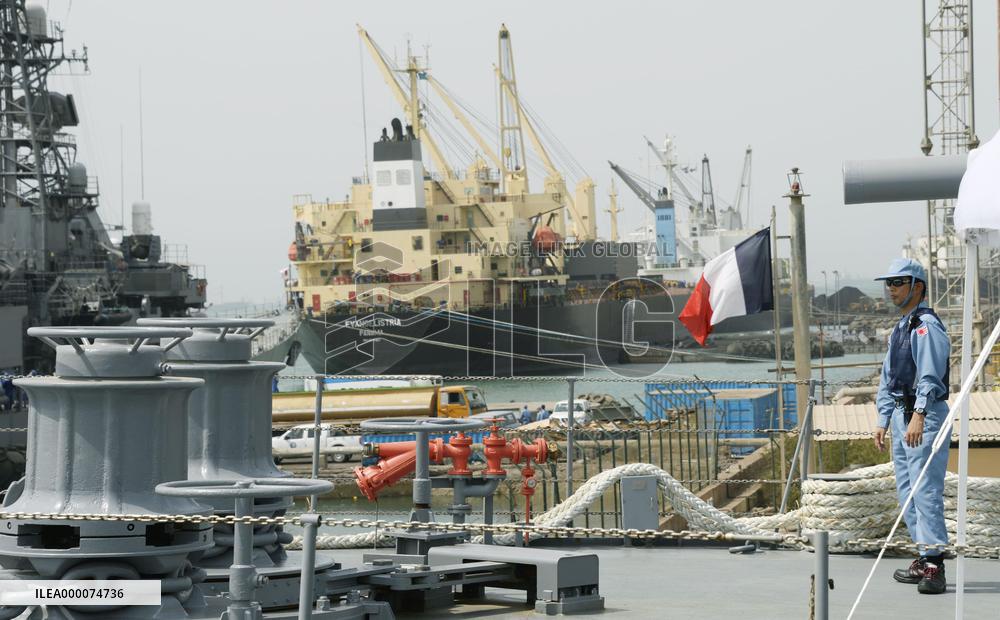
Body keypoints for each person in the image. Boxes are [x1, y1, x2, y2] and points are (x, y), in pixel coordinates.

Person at [873, 258, 950, 595]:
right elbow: (888, 377)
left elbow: (931, 375)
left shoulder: (926, 326)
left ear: (917, 286)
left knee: (925, 490)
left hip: (925, 416)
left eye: (898, 282)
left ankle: (935, 565)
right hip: (902, 418)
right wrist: (882, 418)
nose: (891, 289)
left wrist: (918, 413)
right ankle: (923, 554)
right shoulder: (901, 327)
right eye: (888, 283)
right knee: (907, 491)